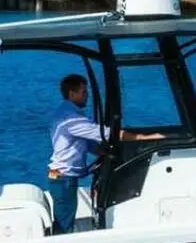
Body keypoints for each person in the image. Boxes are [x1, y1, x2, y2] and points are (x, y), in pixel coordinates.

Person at [48, 73, 160, 234]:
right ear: (72, 94)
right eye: (83, 92)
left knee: (64, 216)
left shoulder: (64, 113)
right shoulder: (70, 118)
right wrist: (142, 137)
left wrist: (102, 151)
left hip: (59, 174)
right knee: (64, 223)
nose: (87, 96)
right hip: (62, 176)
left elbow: (83, 143)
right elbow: (105, 133)